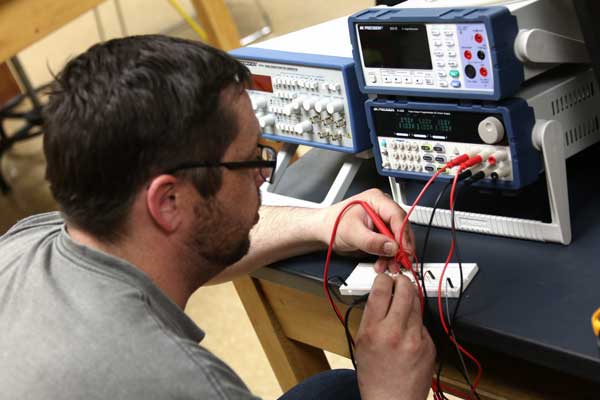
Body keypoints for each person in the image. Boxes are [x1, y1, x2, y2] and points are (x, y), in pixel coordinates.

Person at [0, 35, 435, 399]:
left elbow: (190, 236)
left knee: (333, 392)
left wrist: (321, 222)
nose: (266, 174)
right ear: (168, 201)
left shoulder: (29, 242)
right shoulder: (184, 383)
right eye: (250, 161)